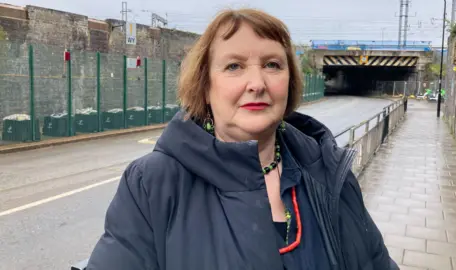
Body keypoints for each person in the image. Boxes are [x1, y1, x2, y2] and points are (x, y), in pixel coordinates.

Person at [87, 8, 399, 270]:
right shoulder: (152, 185)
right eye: (234, 66)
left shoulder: (330, 173)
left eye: (272, 65)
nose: (257, 83)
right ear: (206, 87)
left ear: (289, 82)